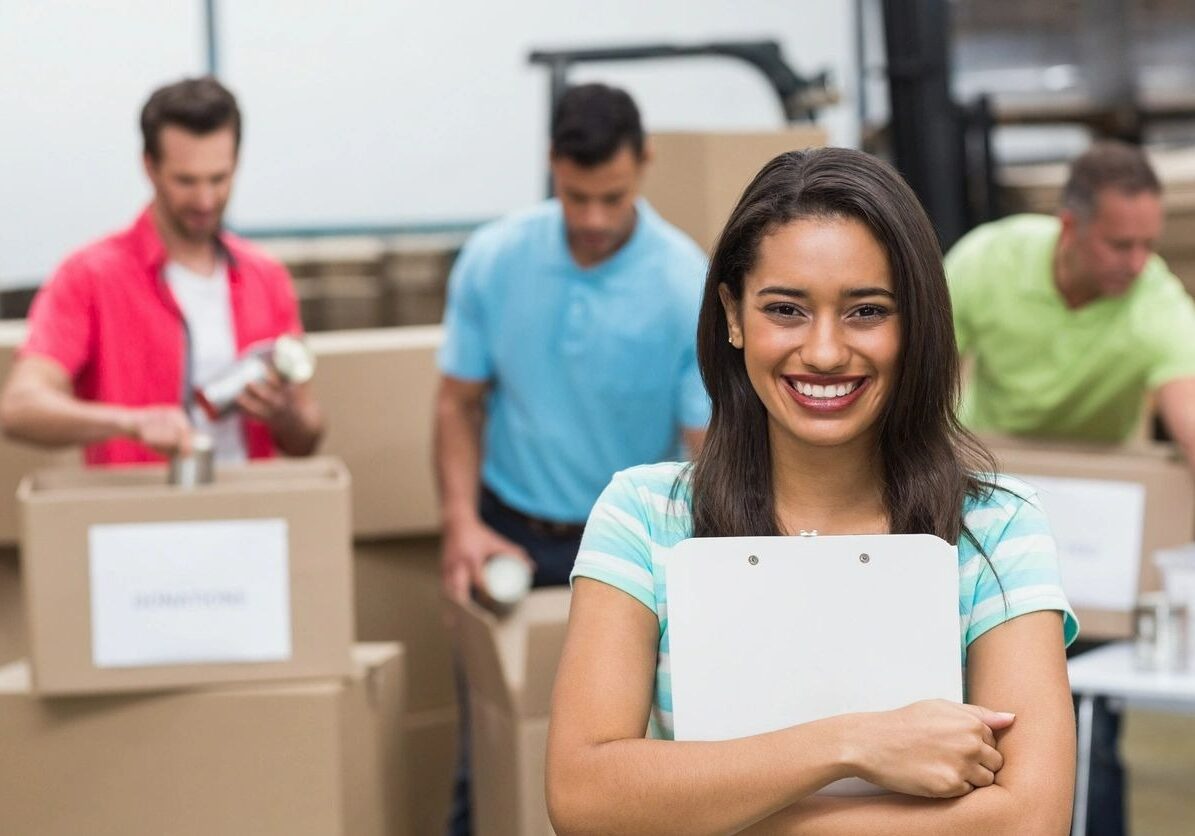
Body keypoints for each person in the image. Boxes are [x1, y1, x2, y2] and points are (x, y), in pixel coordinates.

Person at [547, 147, 1079, 834]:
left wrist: (712, 813)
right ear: (733, 316)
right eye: (786, 310)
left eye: (865, 312)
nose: (824, 351)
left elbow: (1028, 820)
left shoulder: (996, 527)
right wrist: (852, 743)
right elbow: (583, 798)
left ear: (914, 324)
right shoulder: (644, 516)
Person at [434, 83, 708, 834]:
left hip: (630, 555)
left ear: (644, 164)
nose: (591, 219)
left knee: (629, 756)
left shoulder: (687, 282)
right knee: (487, 752)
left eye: (611, 197)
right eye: (574, 195)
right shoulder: (494, 260)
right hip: (508, 542)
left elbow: (706, 450)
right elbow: (456, 403)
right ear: (551, 166)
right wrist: (460, 523)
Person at [945, 140, 1194, 836]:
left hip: (1090, 533)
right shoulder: (987, 261)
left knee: (1089, 723)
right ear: (1069, 226)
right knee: (970, 711)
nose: (1137, 262)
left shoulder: (1154, 301)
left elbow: (1190, 415)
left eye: (1148, 243)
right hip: (981, 507)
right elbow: (916, 375)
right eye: (1119, 244)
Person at [0, 76, 322, 465]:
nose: (205, 199)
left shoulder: (266, 277)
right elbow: (19, 407)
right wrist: (129, 423)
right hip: (137, 514)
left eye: (219, 179)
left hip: (247, 509)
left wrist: (285, 413)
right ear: (149, 166)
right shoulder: (89, 276)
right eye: (186, 181)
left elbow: (306, 438)